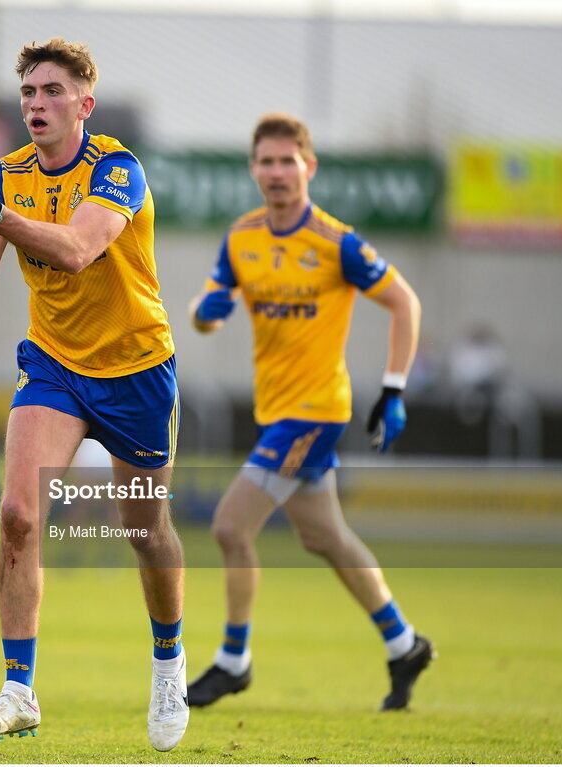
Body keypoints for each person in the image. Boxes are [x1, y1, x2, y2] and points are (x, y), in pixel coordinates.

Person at [0, 38, 189, 751]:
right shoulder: (5, 175)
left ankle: (168, 661)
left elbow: (76, 248)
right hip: (54, 366)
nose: (36, 104)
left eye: (51, 92)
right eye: (28, 94)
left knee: (143, 530)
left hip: (136, 368)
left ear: (84, 104)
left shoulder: (117, 168)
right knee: (16, 513)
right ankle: (19, 689)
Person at [185, 113, 434, 712]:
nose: (276, 172)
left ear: (309, 167)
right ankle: (404, 644)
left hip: (317, 412)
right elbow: (207, 310)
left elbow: (404, 302)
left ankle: (233, 660)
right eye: (265, 162)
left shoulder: (335, 242)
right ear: (253, 169)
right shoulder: (242, 237)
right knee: (326, 537)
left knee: (228, 526)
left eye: (286, 161)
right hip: (276, 410)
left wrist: (393, 388)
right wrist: (205, 310)